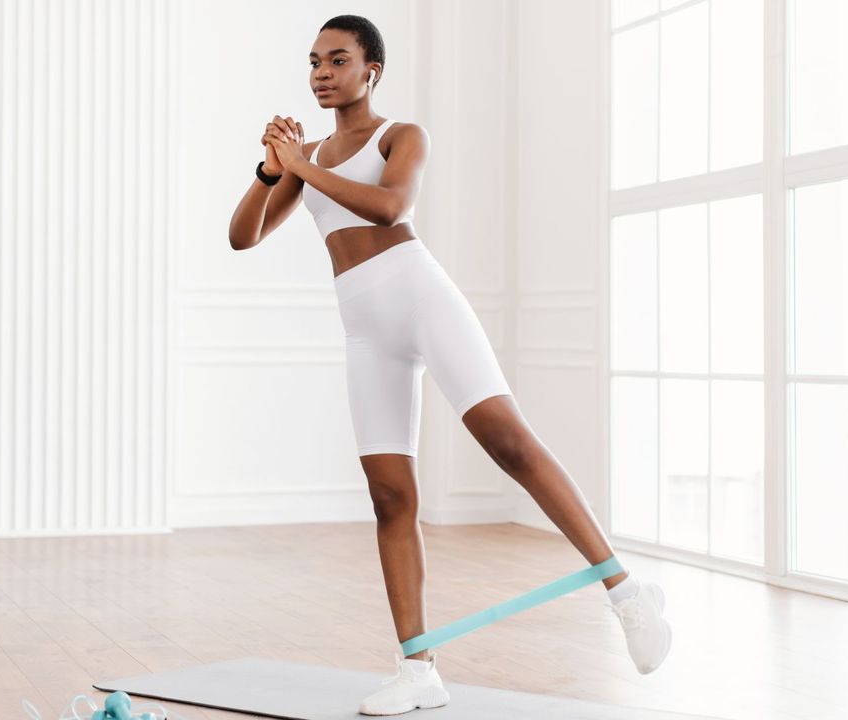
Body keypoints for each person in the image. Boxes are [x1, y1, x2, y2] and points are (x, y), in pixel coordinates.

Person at [227, 14, 671, 716]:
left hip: (419, 295)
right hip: (364, 327)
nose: (320, 72)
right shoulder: (305, 159)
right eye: (313, 61)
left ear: (371, 69)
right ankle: (418, 668)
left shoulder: (399, 135)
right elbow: (242, 236)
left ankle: (626, 592)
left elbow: (389, 204)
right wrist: (270, 169)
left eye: (337, 60)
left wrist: (304, 165)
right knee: (390, 498)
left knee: (508, 442)